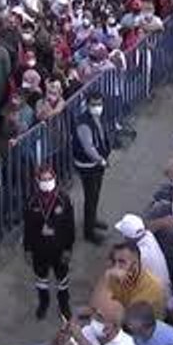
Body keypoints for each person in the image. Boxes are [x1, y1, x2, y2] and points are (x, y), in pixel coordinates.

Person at [24, 164, 76, 320]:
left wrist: (69, 248)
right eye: (43, 179)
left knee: (62, 279)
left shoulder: (63, 199)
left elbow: (70, 226)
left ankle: (64, 305)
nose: (47, 181)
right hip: (39, 249)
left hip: (59, 248)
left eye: (49, 178)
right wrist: (27, 249)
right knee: (41, 279)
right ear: (37, 180)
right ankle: (44, 303)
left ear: (55, 179)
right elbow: (28, 228)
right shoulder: (31, 201)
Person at [74, 92, 113, 243]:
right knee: (91, 196)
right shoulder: (84, 123)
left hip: (97, 163)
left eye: (99, 104)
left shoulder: (98, 117)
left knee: (95, 194)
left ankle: (92, 219)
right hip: (88, 165)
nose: (97, 107)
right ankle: (89, 232)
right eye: (94, 104)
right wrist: (101, 160)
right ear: (88, 105)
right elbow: (88, 147)